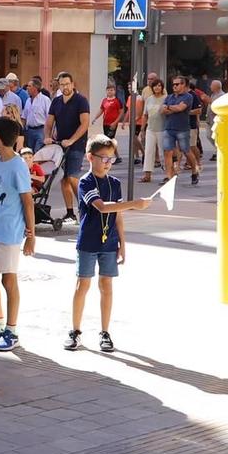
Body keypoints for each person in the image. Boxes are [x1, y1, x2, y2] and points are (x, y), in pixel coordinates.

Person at [66, 136, 150, 354]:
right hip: (88, 241)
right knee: (82, 285)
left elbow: (117, 214)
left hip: (109, 243)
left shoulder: (114, 184)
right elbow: (102, 208)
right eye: (103, 158)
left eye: (111, 158)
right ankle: (75, 331)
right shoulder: (85, 182)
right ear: (90, 157)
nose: (107, 162)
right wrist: (135, 204)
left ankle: (105, 332)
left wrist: (122, 242)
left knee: (107, 287)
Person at [0, 117, 36, 354]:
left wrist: (31, 234)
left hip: (10, 230)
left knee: (8, 280)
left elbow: (27, 201)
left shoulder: (18, 165)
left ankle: (12, 330)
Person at [46, 71, 91, 214]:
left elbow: (84, 124)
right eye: (62, 84)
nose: (65, 87)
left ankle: (85, 208)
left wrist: (72, 140)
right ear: (58, 86)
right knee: (64, 180)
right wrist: (47, 137)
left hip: (77, 144)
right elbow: (49, 123)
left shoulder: (81, 100)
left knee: (72, 177)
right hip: (60, 145)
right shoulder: (56, 101)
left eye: (67, 84)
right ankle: (70, 212)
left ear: (72, 84)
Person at [158, 76, 200, 186]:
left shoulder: (188, 96)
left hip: (182, 128)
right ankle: (168, 175)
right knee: (167, 152)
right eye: (173, 84)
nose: (174, 86)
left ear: (183, 85)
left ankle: (195, 170)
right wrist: (173, 108)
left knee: (186, 151)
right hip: (169, 127)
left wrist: (169, 107)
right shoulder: (169, 97)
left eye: (177, 84)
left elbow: (180, 108)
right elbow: (161, 111)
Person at [22, 78, 52, 153]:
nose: (27, 88)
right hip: (29, 131)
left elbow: (50, 117)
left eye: (29, 86)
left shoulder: (45, 100)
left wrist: (48, 133)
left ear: (35, 88)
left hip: (41, 130)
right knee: (29, 153)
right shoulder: (28, 100)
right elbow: (24, 117)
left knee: (38, 152)